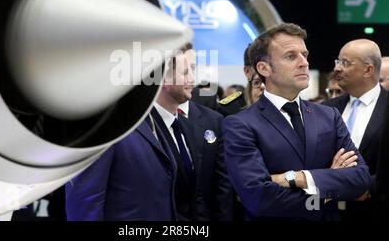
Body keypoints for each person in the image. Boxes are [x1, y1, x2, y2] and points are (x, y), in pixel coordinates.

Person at [223, 23, 371, 221]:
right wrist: (328, 188)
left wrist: (296, 178)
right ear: (264, 68)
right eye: (290, 56)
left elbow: (360, 179)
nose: (303, 62)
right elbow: (259, 198)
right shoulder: (240, 124)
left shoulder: (329, 116)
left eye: (305, 54)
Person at [151, 44, 234, 221]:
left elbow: (221, 186)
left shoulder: (208, 120)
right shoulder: (143, 127)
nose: (192, 79)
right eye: (185, 71)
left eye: (193, 69)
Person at [323, 39, 387, 220]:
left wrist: (365, 187)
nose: (337, 68)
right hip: (329, 210)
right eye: (337, 61)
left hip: (374, 209)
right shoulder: (327, 109)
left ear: (368, 70)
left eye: (345, 63)